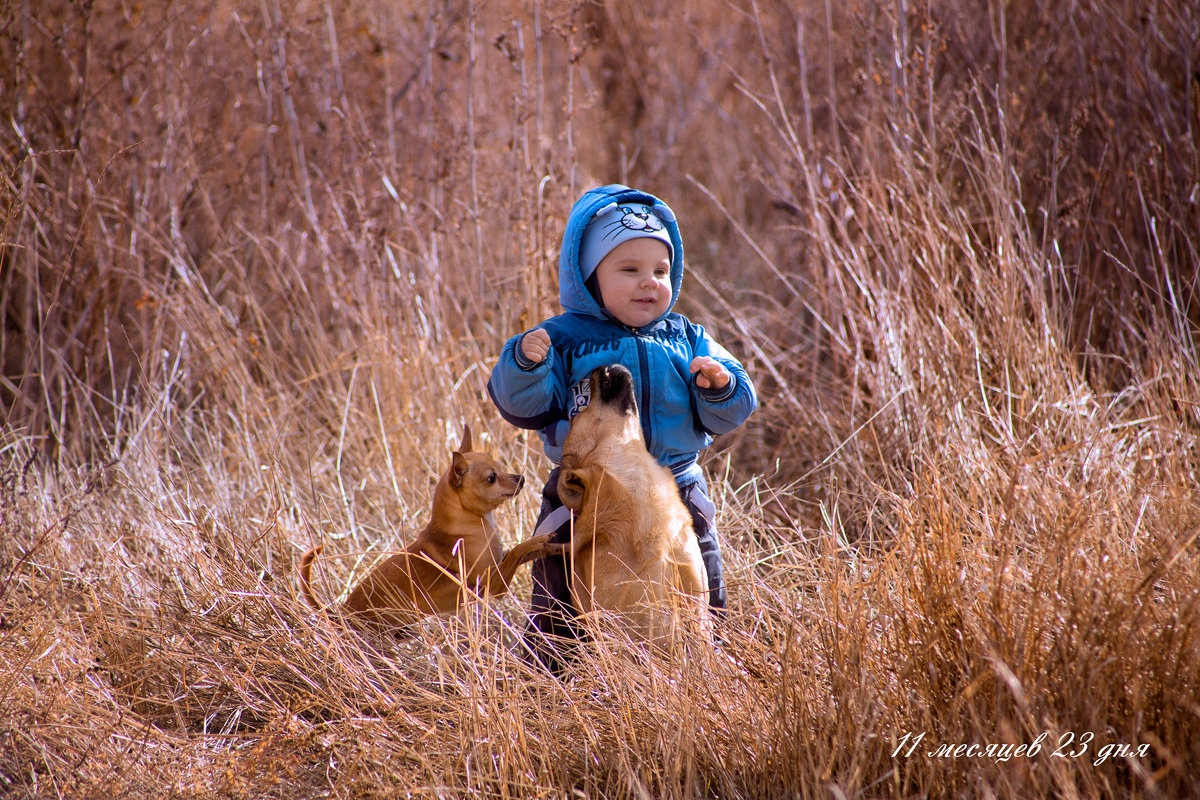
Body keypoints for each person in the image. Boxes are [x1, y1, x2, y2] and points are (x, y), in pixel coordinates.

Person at [487, 184, 757, 671]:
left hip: (674, 480)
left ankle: (712, 646)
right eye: (628, 270)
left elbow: (733, 410)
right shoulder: (566, 339)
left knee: (703, 554)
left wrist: (719, 388)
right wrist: (525, 364)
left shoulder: (686, 337)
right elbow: (521, 405)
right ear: (590, 278)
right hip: (589, 488)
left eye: (660, 270)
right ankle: (551, 657)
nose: (648, 283)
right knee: (557, 557)